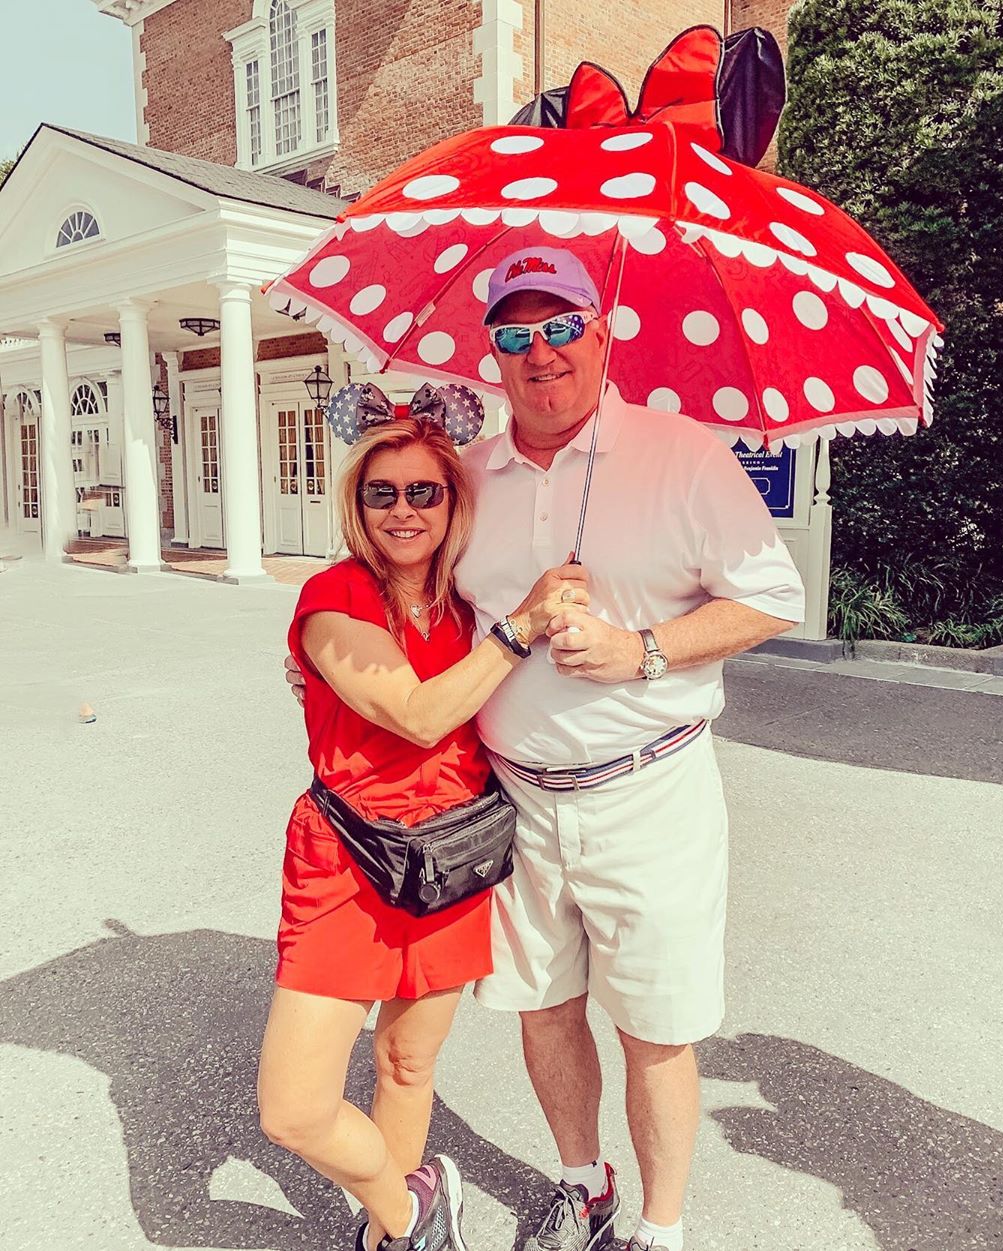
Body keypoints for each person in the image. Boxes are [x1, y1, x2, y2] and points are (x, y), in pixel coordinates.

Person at [289, 245, 805, 1251]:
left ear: (601, 334)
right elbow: (403, 578)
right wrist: (335, 657)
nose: (542, 354)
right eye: (516, 336)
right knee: (544, 1007)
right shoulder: (468, 476)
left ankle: (660, 1229)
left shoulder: (680, 454)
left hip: (648, 792)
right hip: (512, 802)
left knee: (655, 1025)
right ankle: (584, 1183)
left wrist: (642, 648)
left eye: (562, 327)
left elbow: (772, 598)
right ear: (493, 354)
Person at [260, 411, 588, 1251]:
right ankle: (413, 1204)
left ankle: (389, 1238)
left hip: (452, 861)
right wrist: (526, 622)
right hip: (348, 861)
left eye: (423, 492)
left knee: (408, 1066)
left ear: (452, 503)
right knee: (293, 1108)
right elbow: (417, 713)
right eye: (381, 493)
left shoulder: (465, 598)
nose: (402, 511)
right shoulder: (334, 594)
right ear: (356, 504)